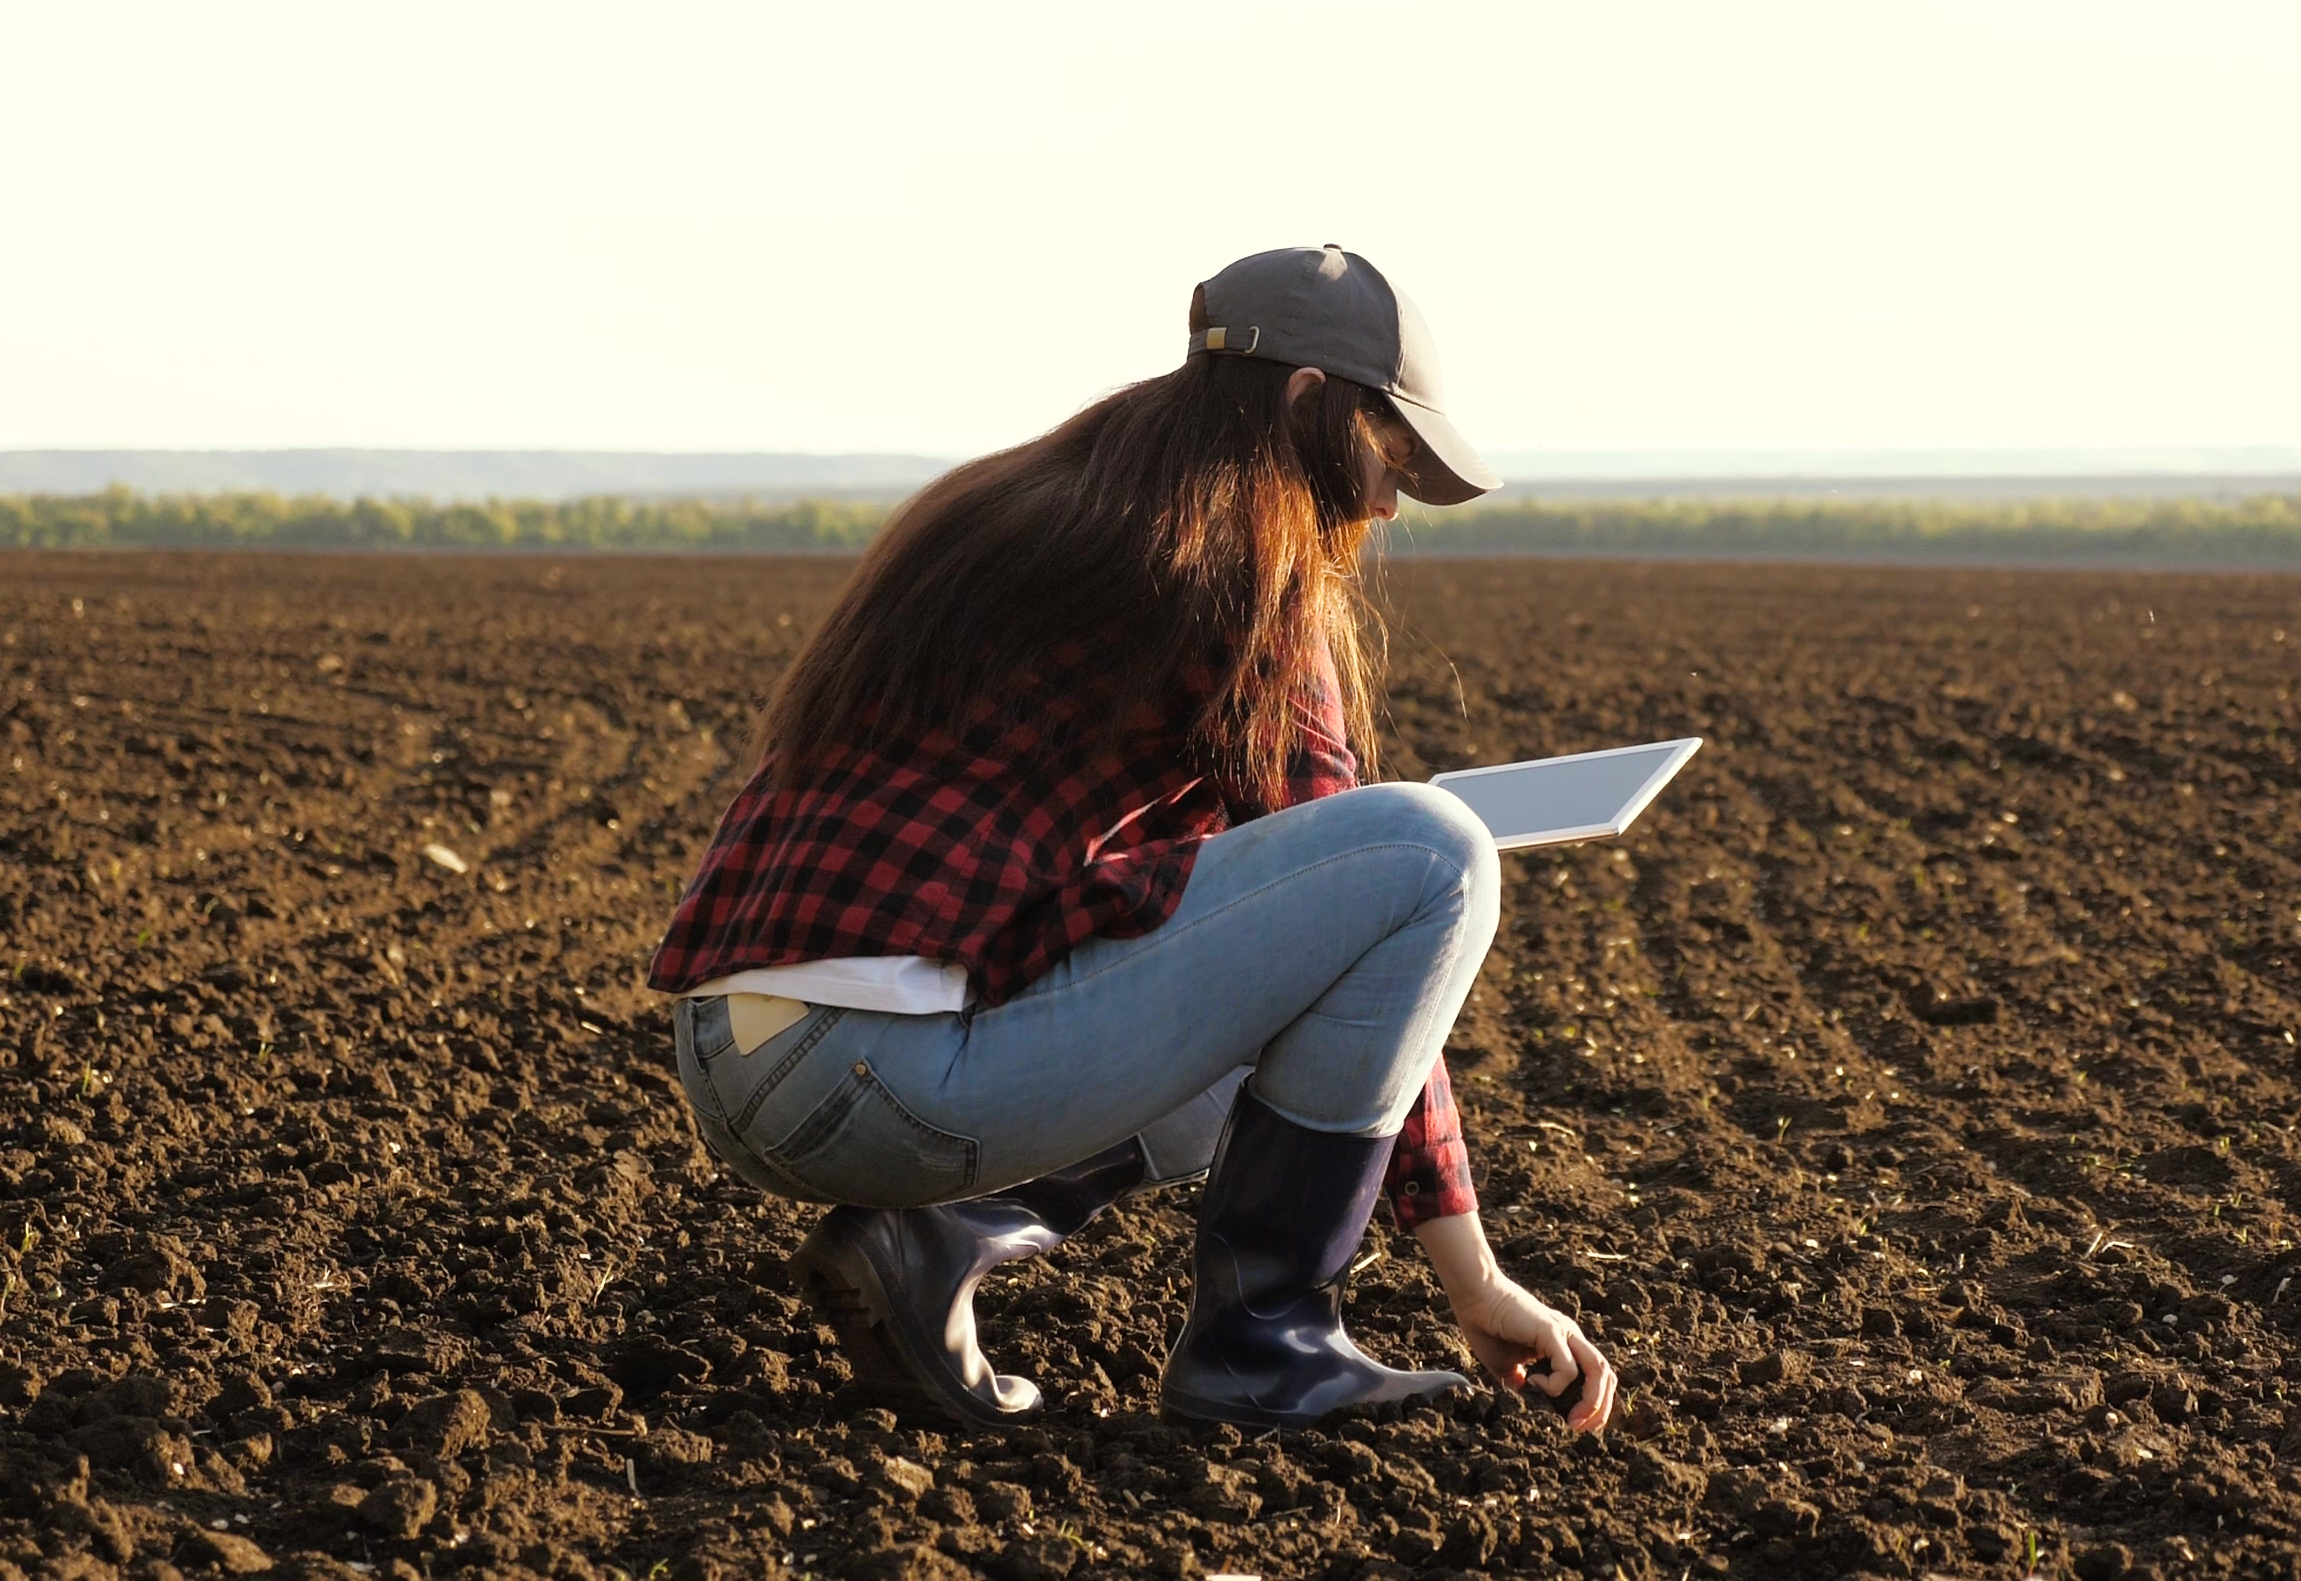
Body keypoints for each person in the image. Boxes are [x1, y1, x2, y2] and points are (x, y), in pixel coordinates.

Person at [651, 245, 1619, 1436]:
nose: (1386, 501)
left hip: (738, 1058)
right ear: (1309, 402)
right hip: (872, 1080)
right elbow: (1377, 896)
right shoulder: (1237, 565)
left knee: (1290, 990)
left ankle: (931, 1239)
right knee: (1435, 848)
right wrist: (1473, 1281)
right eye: (1391, 451)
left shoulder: (1021, 502)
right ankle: (1265, 1348)